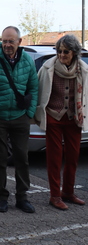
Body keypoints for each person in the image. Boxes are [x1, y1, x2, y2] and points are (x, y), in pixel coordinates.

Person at [0, 25, 39, 213]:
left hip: (20, 117)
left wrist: (29, 112)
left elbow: (33, 87)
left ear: (19, 42)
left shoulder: (27, 61)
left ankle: (22, 197)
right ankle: (1, 197)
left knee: (22, 159)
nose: (7, 45)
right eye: (4, 41)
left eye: (11, 41)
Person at [35, 34, 88, 210]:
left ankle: (68, 192)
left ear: (74, 53)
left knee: (73, 157)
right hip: (54, 117)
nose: (61, 55)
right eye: (59, 51)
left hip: (74, 117)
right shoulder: (47, 68)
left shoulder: (83, 69)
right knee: (54, 158)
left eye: (66, 51)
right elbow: (38, 91)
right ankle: (55, 196)